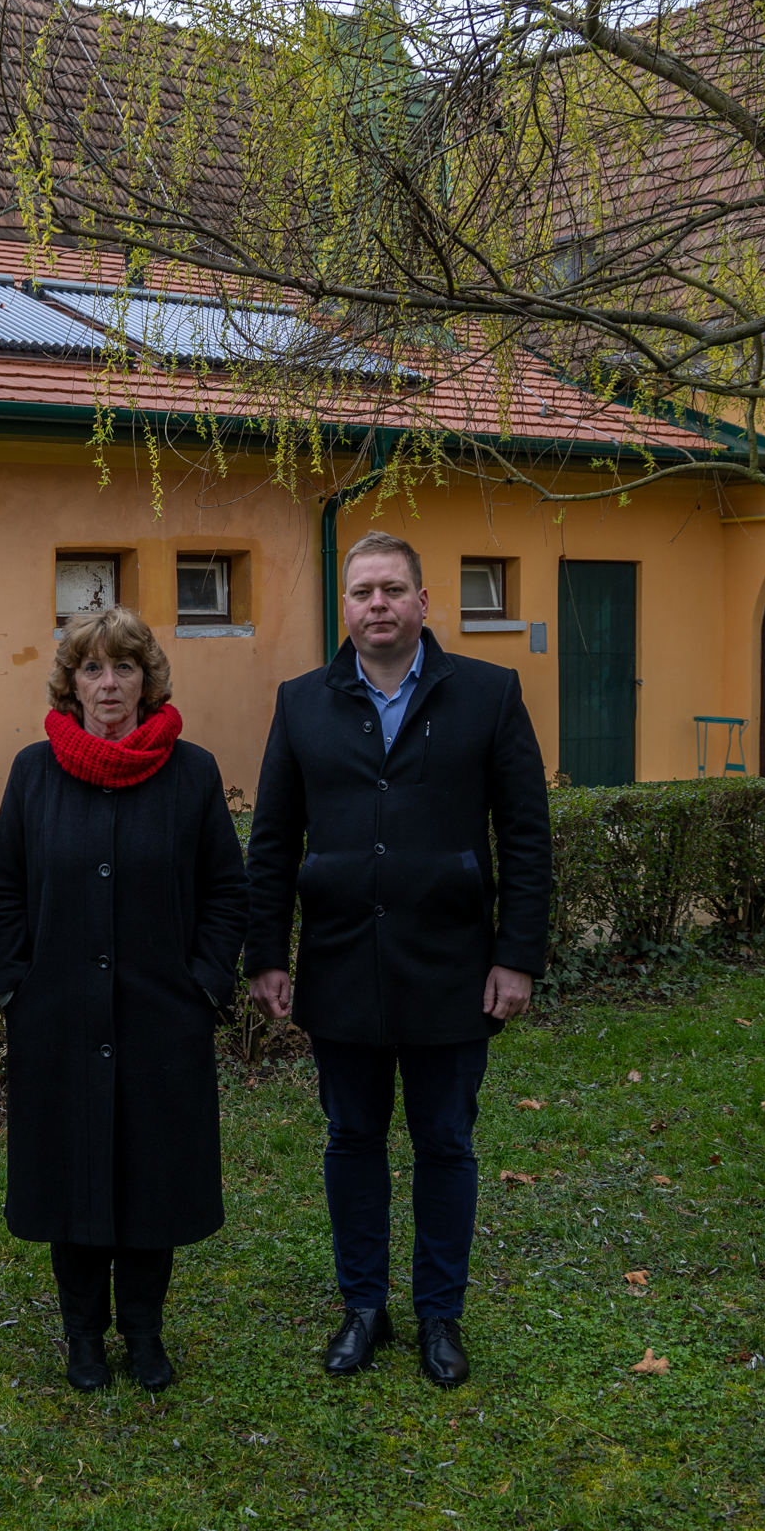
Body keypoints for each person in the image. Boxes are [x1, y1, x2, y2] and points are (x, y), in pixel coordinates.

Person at [243, 531, 551, 1387]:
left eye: (392, 590)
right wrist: (267, 951)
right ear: (344, 608)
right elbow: (271, 840)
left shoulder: (488, 695)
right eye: (361, 592)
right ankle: (364, 1305)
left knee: (445, 1141)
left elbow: (526, 835)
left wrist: (517, 954)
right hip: (340, 962)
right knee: (351, 1137)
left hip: (453, 964)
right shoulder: (301, 701)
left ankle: (440, 1316)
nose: (376, 605)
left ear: (424, 604)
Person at [0, 608, 248, 1392]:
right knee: (72, 1176)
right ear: (71, 683)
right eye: (92, 669)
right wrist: (15, 981)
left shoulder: (192, 771)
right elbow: (3, 887)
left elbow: (226, 890)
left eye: (123, 668)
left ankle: (145, 1331)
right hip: (58, 1013)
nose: (108, 684)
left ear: (146, 679)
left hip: (162, 1014)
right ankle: (82, 1338)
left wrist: (205, 980)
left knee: (150, 1175)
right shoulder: (34, 772)